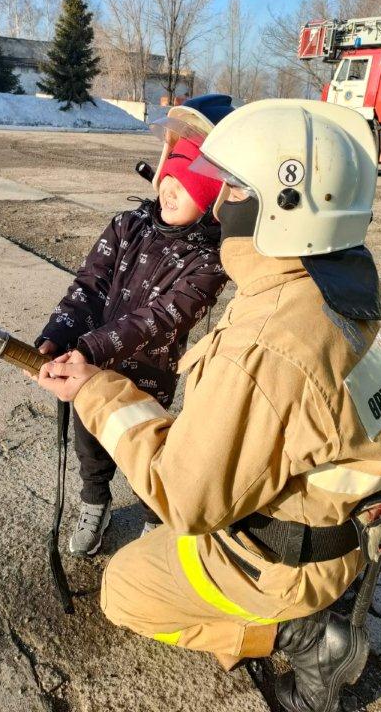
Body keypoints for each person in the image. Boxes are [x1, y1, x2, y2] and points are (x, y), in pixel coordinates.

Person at [33, 100, 381, 712]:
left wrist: (94, 390)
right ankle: (307, 615)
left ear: (277, 205)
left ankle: (303, 635)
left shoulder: (267, 343)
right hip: (343, 537)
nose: (219, 200)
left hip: (282, 562)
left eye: (233, 185)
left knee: (123, 589)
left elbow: (183, 498)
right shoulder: (337, 291)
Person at [35, 94, 233, 556]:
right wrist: (58, 334)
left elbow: (162, 317)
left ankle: (152, 520)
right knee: (91, 443)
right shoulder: (126, 226)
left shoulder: (209, 261)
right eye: (168, 178)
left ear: (210, 200)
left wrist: (90, 348)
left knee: (147, 450)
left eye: (185, 186)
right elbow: (89, 285)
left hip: (149, 375)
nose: (168, 190)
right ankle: (94, 502)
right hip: (91, 361)